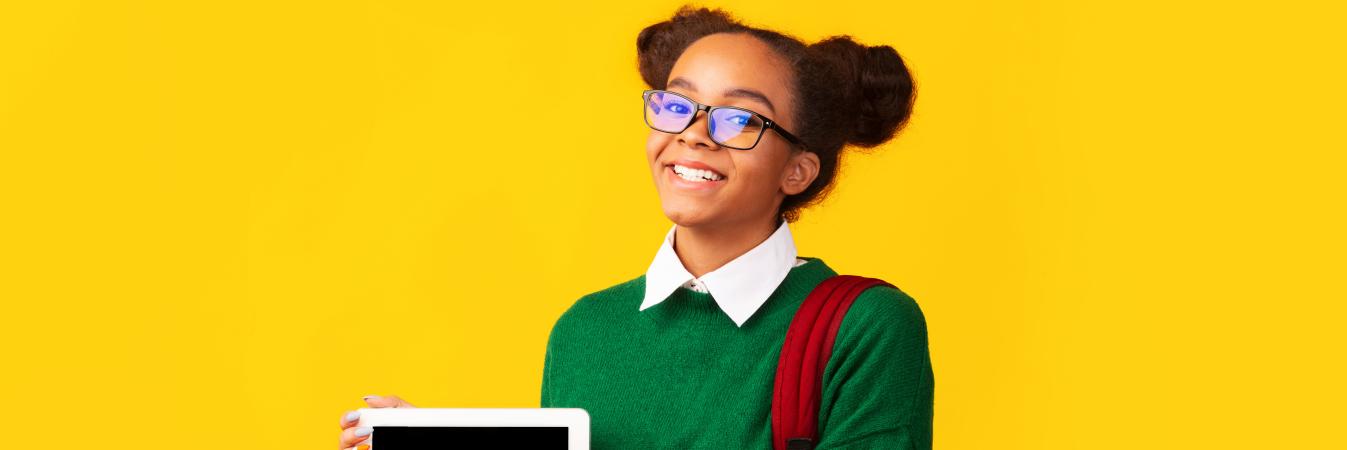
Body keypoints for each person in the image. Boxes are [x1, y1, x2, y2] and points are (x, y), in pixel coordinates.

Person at [338, 6, 931, 449]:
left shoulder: (865, 327)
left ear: (798, 170)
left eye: (739, 117)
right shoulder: (585, 330)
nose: (693, 134)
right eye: (677, 104)